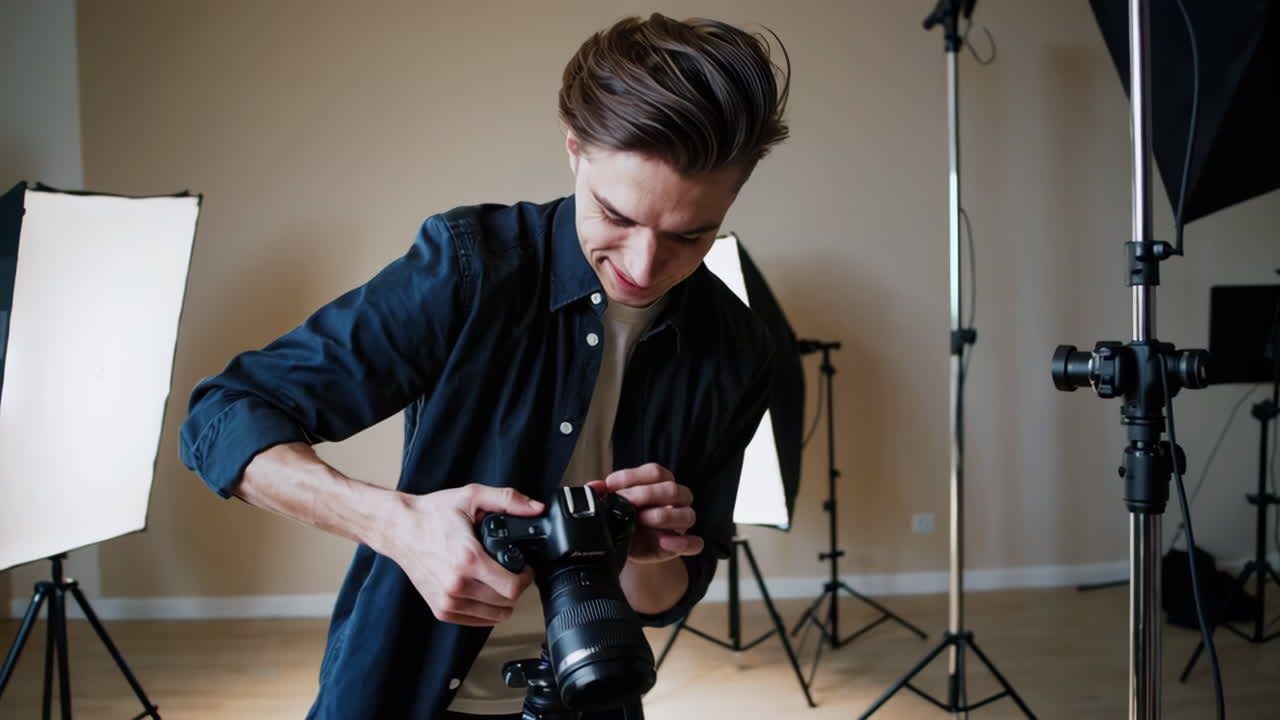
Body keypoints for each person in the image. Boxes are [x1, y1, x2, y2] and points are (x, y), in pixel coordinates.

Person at [180, 13, 790, 720]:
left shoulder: (740, 346)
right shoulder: (471, 267)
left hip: (593, 695)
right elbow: (222, 415)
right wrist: (395, 525)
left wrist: (640, 554)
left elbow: (667, 599)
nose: (644, 267)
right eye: (616, 217)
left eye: (691, 235)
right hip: (398, 686)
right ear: (575, 150)